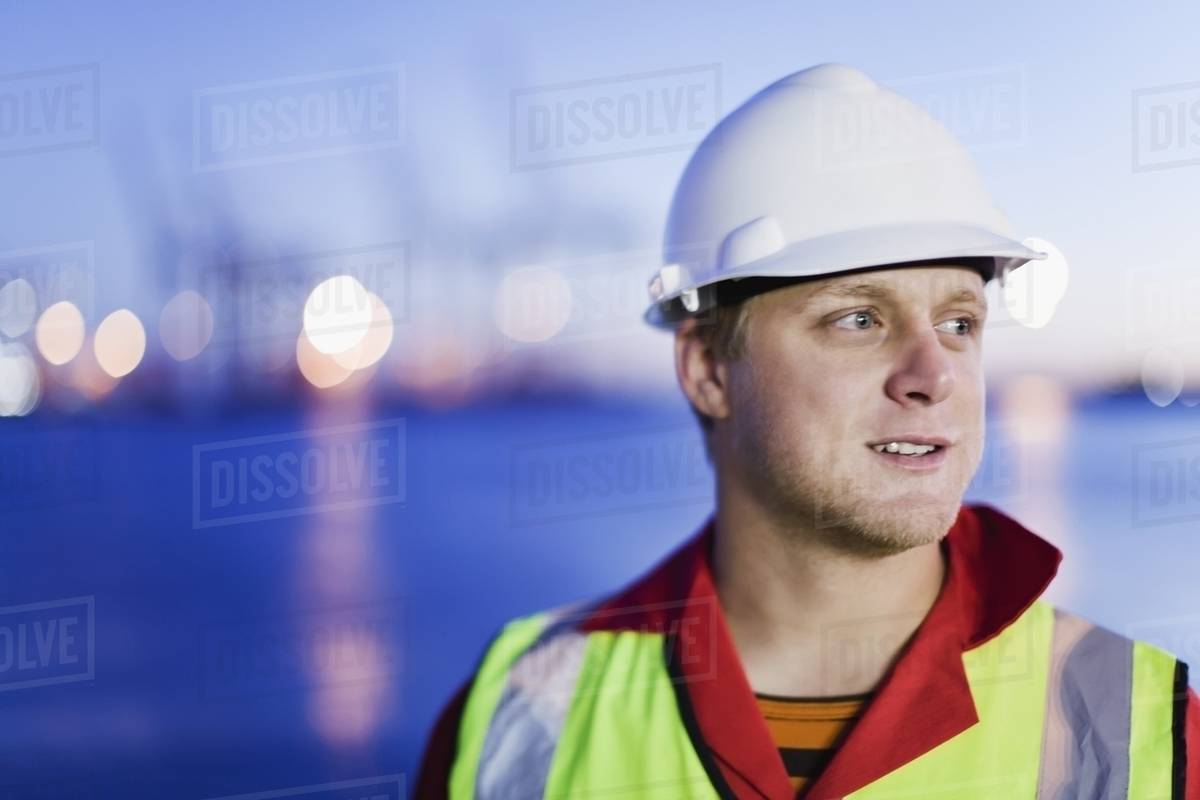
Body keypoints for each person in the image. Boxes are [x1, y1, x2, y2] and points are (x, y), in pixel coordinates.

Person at [416, 63, 1200, 799]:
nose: (935, 375)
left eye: (959, 323)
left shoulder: (1139, 727)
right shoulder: (516, 715)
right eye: (859, 319)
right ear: (708, 369)